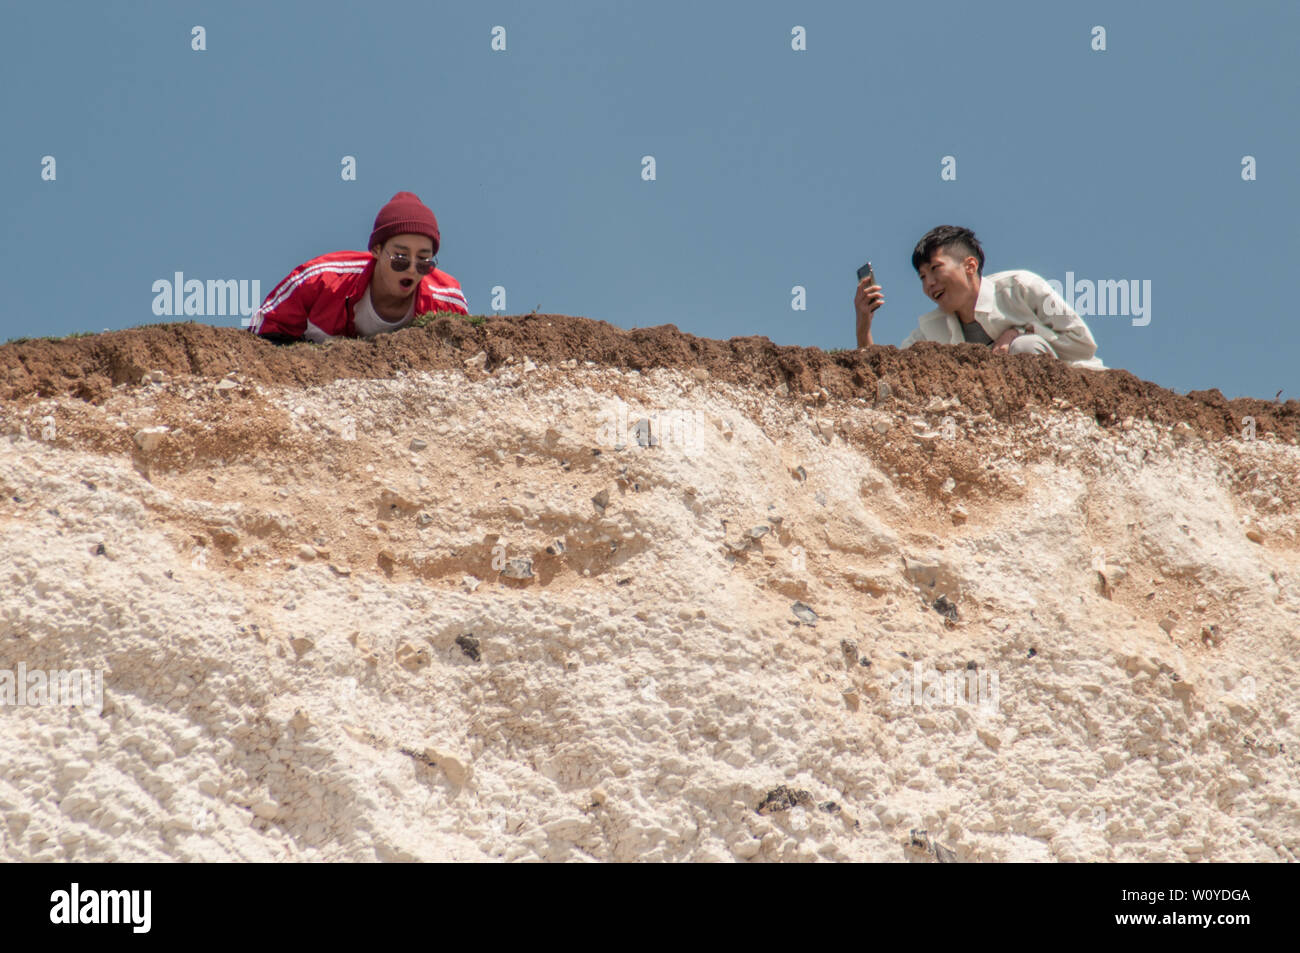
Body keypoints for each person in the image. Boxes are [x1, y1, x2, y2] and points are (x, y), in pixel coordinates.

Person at [855, 225, 1104, 369]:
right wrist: (863, 324)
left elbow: (1083, 344)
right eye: (921, 277)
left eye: (935, 268)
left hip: (1072, 407)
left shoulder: (1021, 288)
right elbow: (886, 372)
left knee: (1024, 347)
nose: (929, 283)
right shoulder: (932, 330)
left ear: (970, 266)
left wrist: (1022, 333)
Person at [248, 191, 469, 343]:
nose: (411, 269)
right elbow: (262, 334)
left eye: (424, 262)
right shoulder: (319, 281)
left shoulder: (446, 302)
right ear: (376, 251)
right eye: (400, 258)